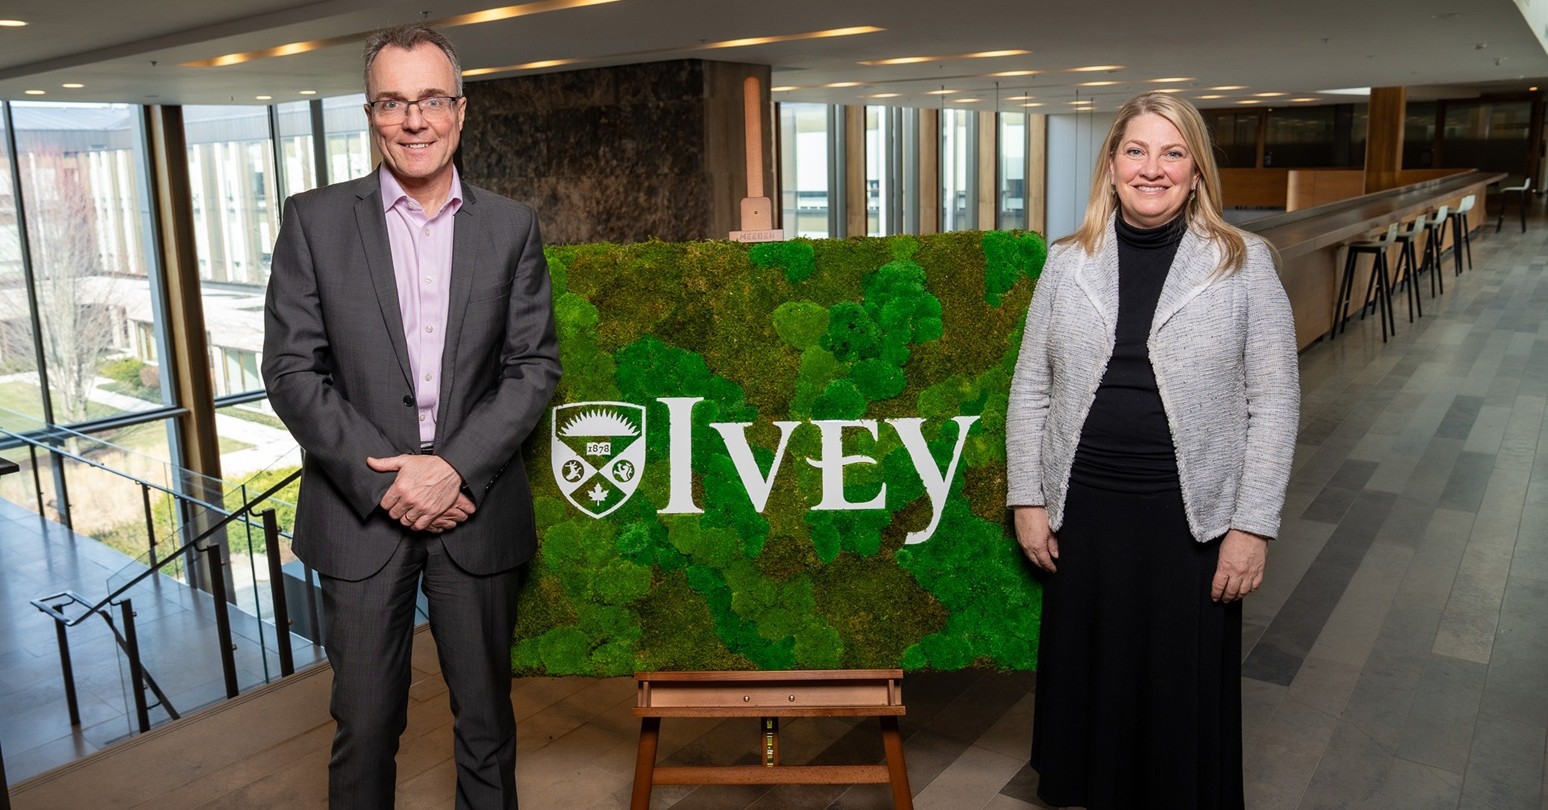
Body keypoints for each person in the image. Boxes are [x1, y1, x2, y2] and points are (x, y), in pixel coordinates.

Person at [261, 23, 561, 809]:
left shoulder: (511, 227)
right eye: (392, 102)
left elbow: (533, 367)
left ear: (460, 110)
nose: (414, 120)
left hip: (476, 508)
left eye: (431, 99)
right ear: (371, 114)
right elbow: (291, 371)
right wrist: (393, 483)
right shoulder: (314, 221)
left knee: (488, 727)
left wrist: (452, 468)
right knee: (364, 728)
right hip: (360, 516)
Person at [1006, 92, 1299, 809]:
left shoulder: (1244, 262)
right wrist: (1027, 498)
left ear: (1196, 172)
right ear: (1112, 164)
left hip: (1188, 518)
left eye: (1173, 153)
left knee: (1175, 690)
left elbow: (1275, 402)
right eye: (1136, 151)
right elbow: (1031, 386)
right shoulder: (1067, 261)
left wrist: (1253, 526)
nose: (1152, 168)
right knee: (1092, 678)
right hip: (1085, 511)